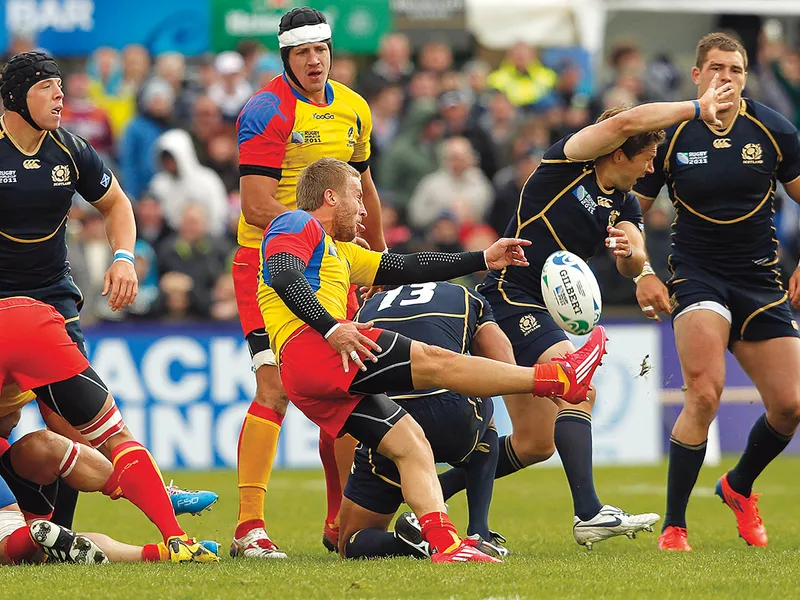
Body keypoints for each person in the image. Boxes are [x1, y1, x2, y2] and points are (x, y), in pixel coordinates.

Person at [437, 68, 735, 550]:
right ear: (619, 153)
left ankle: (434, 492)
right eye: (647, 157)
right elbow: (622, 123)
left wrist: (633, 260)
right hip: (510, 294)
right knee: (578, 390)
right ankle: (589, 512)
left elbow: (634, 258)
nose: (649, 168)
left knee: (535, 443)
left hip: (535, 307)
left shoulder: (625, 204)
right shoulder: (567, 161)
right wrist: (695, 109)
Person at [257, 156, 608, 563]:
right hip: (316, 348)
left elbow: (407, 265)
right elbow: (282, 272)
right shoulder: (297, 223)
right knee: (436, 361)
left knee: (411, 445)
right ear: (330, 197)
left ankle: (444, 546)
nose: (365, 210)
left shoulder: (338, 251)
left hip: (312, 372)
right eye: (358, 197)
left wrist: (482, 259)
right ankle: (558, 379)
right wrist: (332, 328)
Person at [632, 33, 800, 552]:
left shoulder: (773, 129)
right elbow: (625, 211)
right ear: (697, 76)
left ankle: (738, 485)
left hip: (759, 279)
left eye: (736, 70)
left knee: (791, 405)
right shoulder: (673, 132)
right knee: (704, 392)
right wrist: (642, 271)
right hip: (697, 275)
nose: (727, 78)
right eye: (717, 69)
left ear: (745, 76)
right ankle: (675, 526)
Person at [231, 7, 387, 557]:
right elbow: (253, 207)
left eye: (320, 50)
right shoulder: (267, 109)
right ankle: (249, 526)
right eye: (302, 53)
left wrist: (380, 259)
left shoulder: (354, 107)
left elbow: (363, 184)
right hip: (269, 266)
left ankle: (338, 522)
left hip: (336, 265)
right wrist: (320, 236)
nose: (314, 60)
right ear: (286, 58)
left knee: (342, 386)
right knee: (274, 388)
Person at [0, 50, 140, 532]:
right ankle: (17, 523)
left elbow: (118, 205)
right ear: (17, 97)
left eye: (61, 85)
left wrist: (123, 257)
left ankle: (58, 534)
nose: (60, 95)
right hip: (0, 305)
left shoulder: (70, 149)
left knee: (66, 421)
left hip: (52, 299)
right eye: (46, 87)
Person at [0, 296, 219, 564]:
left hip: (36, 312)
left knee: (18, 540)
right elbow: (60, 424)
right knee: (103, 438)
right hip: (37, 315)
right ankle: (173, 540)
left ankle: (31, 538)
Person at [339, 282, 507, 559]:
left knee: (352, 544)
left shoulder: (366, 307)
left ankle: (408, 541)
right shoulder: (466, 294)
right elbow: (502, 364)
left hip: (387, 422)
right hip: (451, 415)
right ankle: (479, 532)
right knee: (484, 410)